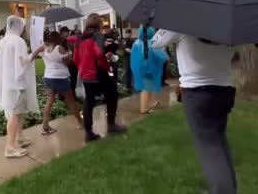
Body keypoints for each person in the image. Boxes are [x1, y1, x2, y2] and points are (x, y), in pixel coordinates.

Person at [151, 29, 236, 194]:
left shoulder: (182, 20)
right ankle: (229, 189)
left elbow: (154, 43)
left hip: (198, 92)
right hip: (224, 90)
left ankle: (222, 190)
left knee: (210, 149)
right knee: (219, 144)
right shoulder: (227, 19)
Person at [0, 16, 44, 158]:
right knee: (15, 115)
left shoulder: (3, 41)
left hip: (8, 82)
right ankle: (10, 147)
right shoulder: (18, 41)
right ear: (18, 26)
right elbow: (22, 62)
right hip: (17, 84)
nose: (24, 29)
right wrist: (37, 51)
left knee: (19, 113)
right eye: (23, 27)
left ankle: (19, 138)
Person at [73, 13, 127, 142]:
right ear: (99, 24)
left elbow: (75, 58)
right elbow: (98, 54)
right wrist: (107, 65)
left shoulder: (80, 38)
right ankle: (111, 125)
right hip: (98, 72)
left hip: (85, 74)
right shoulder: (98, 36)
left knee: (89, 101)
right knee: (112, 94)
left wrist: (82, 68)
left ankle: (89, 133)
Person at [40, 31, 84, 134]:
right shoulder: (59, 48)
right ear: (57, 39)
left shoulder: (45, 49)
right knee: (70, 100)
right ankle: (80, 122)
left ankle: (45, 125)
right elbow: (68, 61)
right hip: (60, 77)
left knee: (49, 101)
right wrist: (69, 53)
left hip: (48, 77)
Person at [130, 25, 168, 114]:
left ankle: (151, 103)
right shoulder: (150, 44)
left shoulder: (136, 43)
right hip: (148, 69)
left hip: (141, 68)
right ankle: (143, 109)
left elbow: (134, 55)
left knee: (149, 87)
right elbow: (160, 56)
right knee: (146, 88)